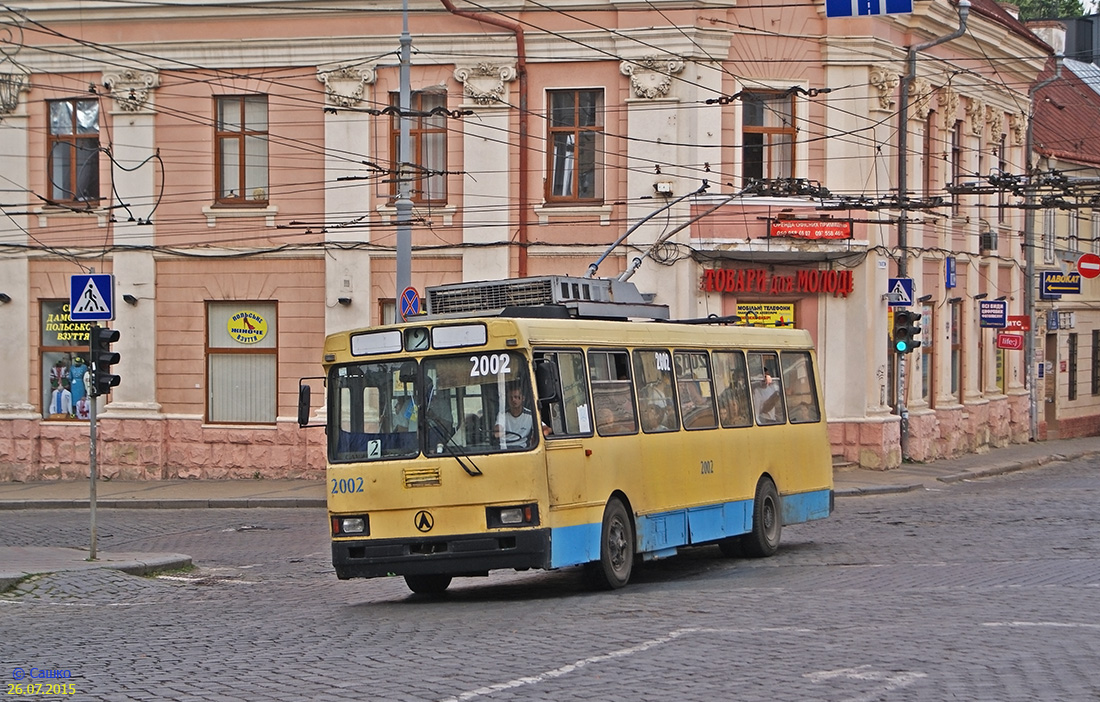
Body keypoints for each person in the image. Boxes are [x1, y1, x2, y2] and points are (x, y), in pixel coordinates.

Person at [494, 384, 546, 448]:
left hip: (522, 449)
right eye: (511, 398)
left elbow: (546, 429)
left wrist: (536, 438)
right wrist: (498, 429)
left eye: (516, 397)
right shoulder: (502, 414)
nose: (513, 400)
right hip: (504, 448)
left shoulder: (530, 415)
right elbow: (497, 431)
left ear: (523, 398)